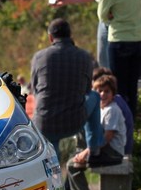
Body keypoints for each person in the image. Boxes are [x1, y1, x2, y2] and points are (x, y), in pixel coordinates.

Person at [28, 17, 96, 169]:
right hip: (74, 122)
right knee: (95, 97)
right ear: (70, 35)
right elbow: (87, 90)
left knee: (53, 156)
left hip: (45, 122)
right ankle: (95, 144)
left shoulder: (39, 57)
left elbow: (35, 89)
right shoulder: (85, 57)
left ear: (50, 37)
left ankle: (56, 183)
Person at [93, 0, 141, 116]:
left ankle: (120, 121)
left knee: (118, 86)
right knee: (132, 84)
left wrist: (112, 16)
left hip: (119, 39)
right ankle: (133, 118)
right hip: (138, 37)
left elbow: (102, 16)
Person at [67, 72, 128, 190]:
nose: (103, 94)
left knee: (72, 165)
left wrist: (87, 152)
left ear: (113, 94)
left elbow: (107, 137)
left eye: (107, 91)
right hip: (104, 151)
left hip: (112, 153)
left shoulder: (112, 109)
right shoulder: (101, 109)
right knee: (83, 130)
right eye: (99, 91)